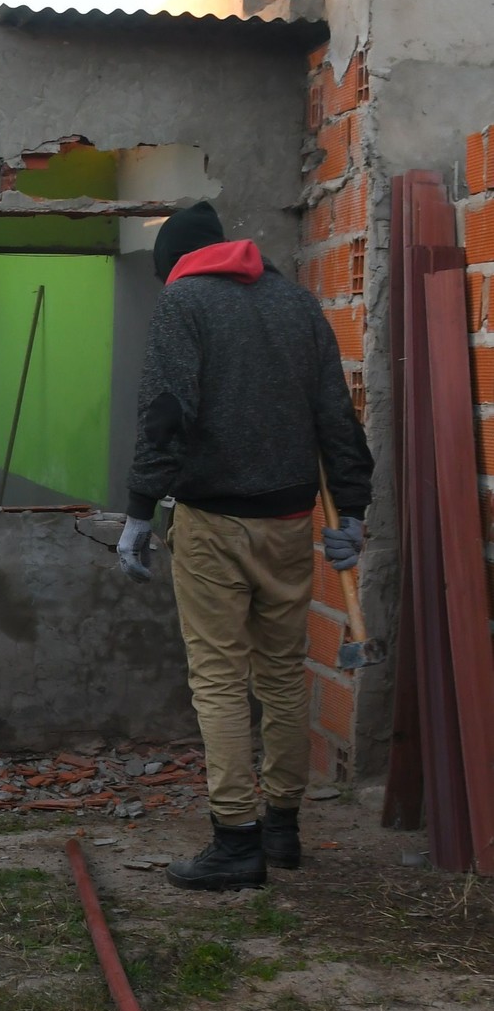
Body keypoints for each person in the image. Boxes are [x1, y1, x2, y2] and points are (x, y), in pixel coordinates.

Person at [118, 201, 373, 891]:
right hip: (290, 523)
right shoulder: (294, 302)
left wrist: (140, 509)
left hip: (212, 525)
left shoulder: (183, 304)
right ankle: (282, 828)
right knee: (282, 674)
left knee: (219, 678)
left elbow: (165, 412)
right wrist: (350, 509)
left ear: (172, 263)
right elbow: (335, 413)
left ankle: (236, 841)